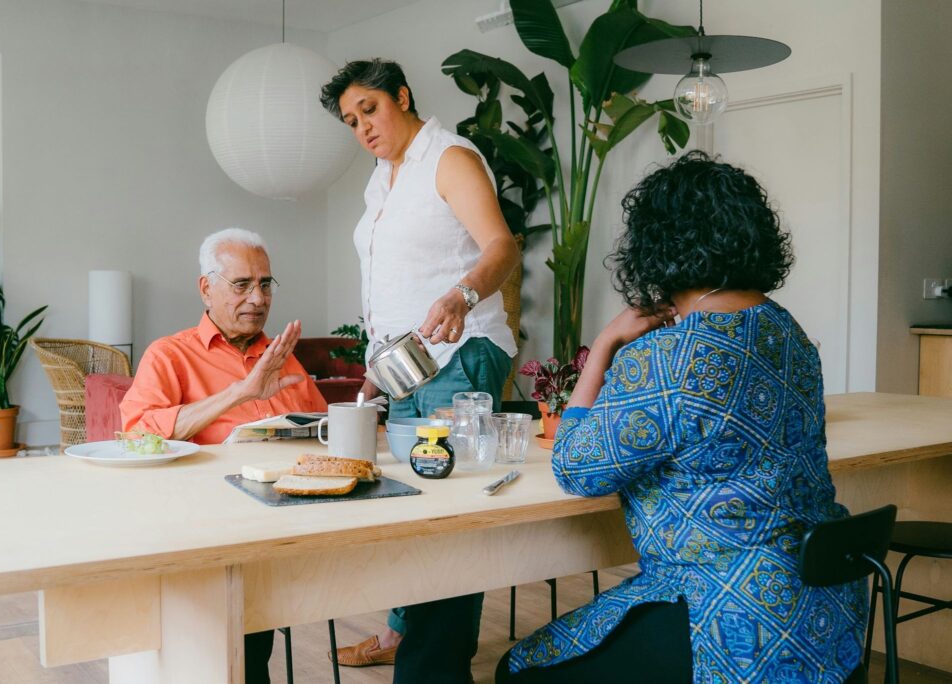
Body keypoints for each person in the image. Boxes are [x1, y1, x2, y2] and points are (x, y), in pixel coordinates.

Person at [497, 151, 865, 683]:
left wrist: (604, 344)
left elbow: (576, 468)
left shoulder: (668, 357)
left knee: (517, 669)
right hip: (825, 616)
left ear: (659, 246)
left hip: (723, 622)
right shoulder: (788, 330)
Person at [319, 59, 519, 682]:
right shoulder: (382, 181)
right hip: (406, 365)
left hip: (461, 352)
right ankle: (406, 639)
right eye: (351, 121)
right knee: (413, 502)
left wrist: (461, 296)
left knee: (447, 512)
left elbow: (502, 247)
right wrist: (375, 376)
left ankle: (434, 668)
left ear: (401, 97)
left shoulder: (449, 158)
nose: (363, 127)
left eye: (370, 110)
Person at [120, 227, 327, 684]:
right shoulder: (170, 355)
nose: (258, 298)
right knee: (236, 643)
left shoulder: (282, 358)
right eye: (242, 285)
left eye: (266, 284)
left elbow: (320, 428)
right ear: (206, 288)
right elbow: (137, 432)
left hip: (288, 527)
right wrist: (240, 394)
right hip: (207, 533)